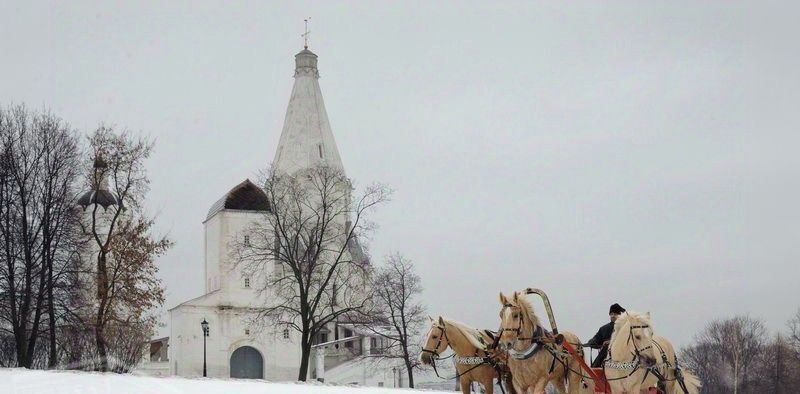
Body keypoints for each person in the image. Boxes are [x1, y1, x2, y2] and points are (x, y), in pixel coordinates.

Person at [585, 303, 626, 368]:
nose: (613, 316)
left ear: (620, 315)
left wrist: (611, 342)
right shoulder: (604, 328)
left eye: (615, 314)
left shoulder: (625, 328)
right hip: (605, 358)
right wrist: (590, 343)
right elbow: (597, 340)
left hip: (623, 357)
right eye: (611, 314)